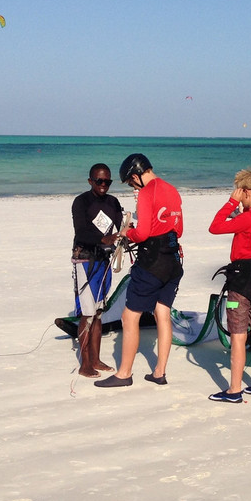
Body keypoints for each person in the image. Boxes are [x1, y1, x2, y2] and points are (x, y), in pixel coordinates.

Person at [96, 153, 183, 388]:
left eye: (131, 182)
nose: (133, 187)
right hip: (173, 262)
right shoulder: (172, 189)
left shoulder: (147, 192)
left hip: (152, 262)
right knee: (162, 314)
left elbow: (143, 234)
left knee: (129, 316)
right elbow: (179, 229)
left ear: (136, 175)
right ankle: (159, 372)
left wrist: (127, 233)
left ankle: (124, 374)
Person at [207, 168, 251, 403]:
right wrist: (241, 210)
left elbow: (214, 227)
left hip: (240, 283)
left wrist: (230, 204)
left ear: (245, 192)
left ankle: (234, 390)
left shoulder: (246, 217)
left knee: (238, 336)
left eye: (239, 191)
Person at [70, 163, 123, 377]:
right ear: (90, 181)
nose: (103, 185)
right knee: (88, 313)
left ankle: (96, 359)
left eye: (107, 181)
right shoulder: (81, 202)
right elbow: (81, 231)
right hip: (85, 261)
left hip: (105, 261)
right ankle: (85, 364)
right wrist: (103, 238)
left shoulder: (113, 202)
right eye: (99, 181)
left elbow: (119, 228)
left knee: (99, 313)